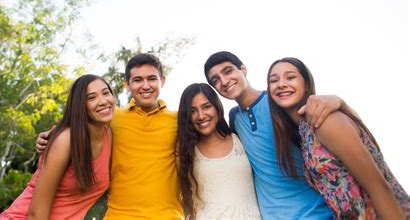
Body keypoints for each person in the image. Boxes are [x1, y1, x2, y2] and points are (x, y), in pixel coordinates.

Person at [203, 51, 354, 219]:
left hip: (315, 212)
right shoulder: (234, 118)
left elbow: (341, 130)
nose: (223, 81)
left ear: (243, 70)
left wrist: (338, 101)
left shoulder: (281, 100)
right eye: (215, 80)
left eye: (228, 71)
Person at [37, 53, 183, 219]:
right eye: (137, 80)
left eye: (151, 78)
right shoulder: (110, 118)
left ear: (162, 81)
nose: (145, 85)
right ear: (127, 84)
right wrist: (47, 136)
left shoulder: (180, 121)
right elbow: (74, 127)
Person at [267, 57, 409, 219]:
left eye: (290, 77)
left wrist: (340, 102)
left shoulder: (325, 121)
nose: (281, 84)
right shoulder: (304, 132)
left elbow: (379, 187)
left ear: (306, 84)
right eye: (274, 80)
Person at [0, 74, 114, 219]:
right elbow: (36, 214)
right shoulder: (66, 139)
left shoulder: (109, 133)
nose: (103, 101)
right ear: (80, 105)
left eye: (105, 93)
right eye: (91, 98)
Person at [177, 83, 261, 219]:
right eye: (193, 111)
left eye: (206, 106)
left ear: (217, 106)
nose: (201, 115)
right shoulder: (185, 151)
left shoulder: (239, 137)